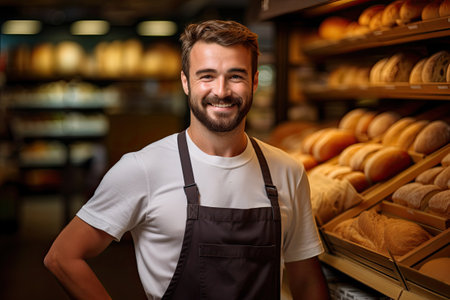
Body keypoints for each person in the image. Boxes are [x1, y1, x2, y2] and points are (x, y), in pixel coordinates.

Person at [44, 20, 329, 300]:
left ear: (254, 81)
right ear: (185, 82)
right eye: (206, 76)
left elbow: (305, 282)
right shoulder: (143, 168)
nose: (221, 91)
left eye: (236, 76)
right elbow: (62, 257)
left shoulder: (287, 171)